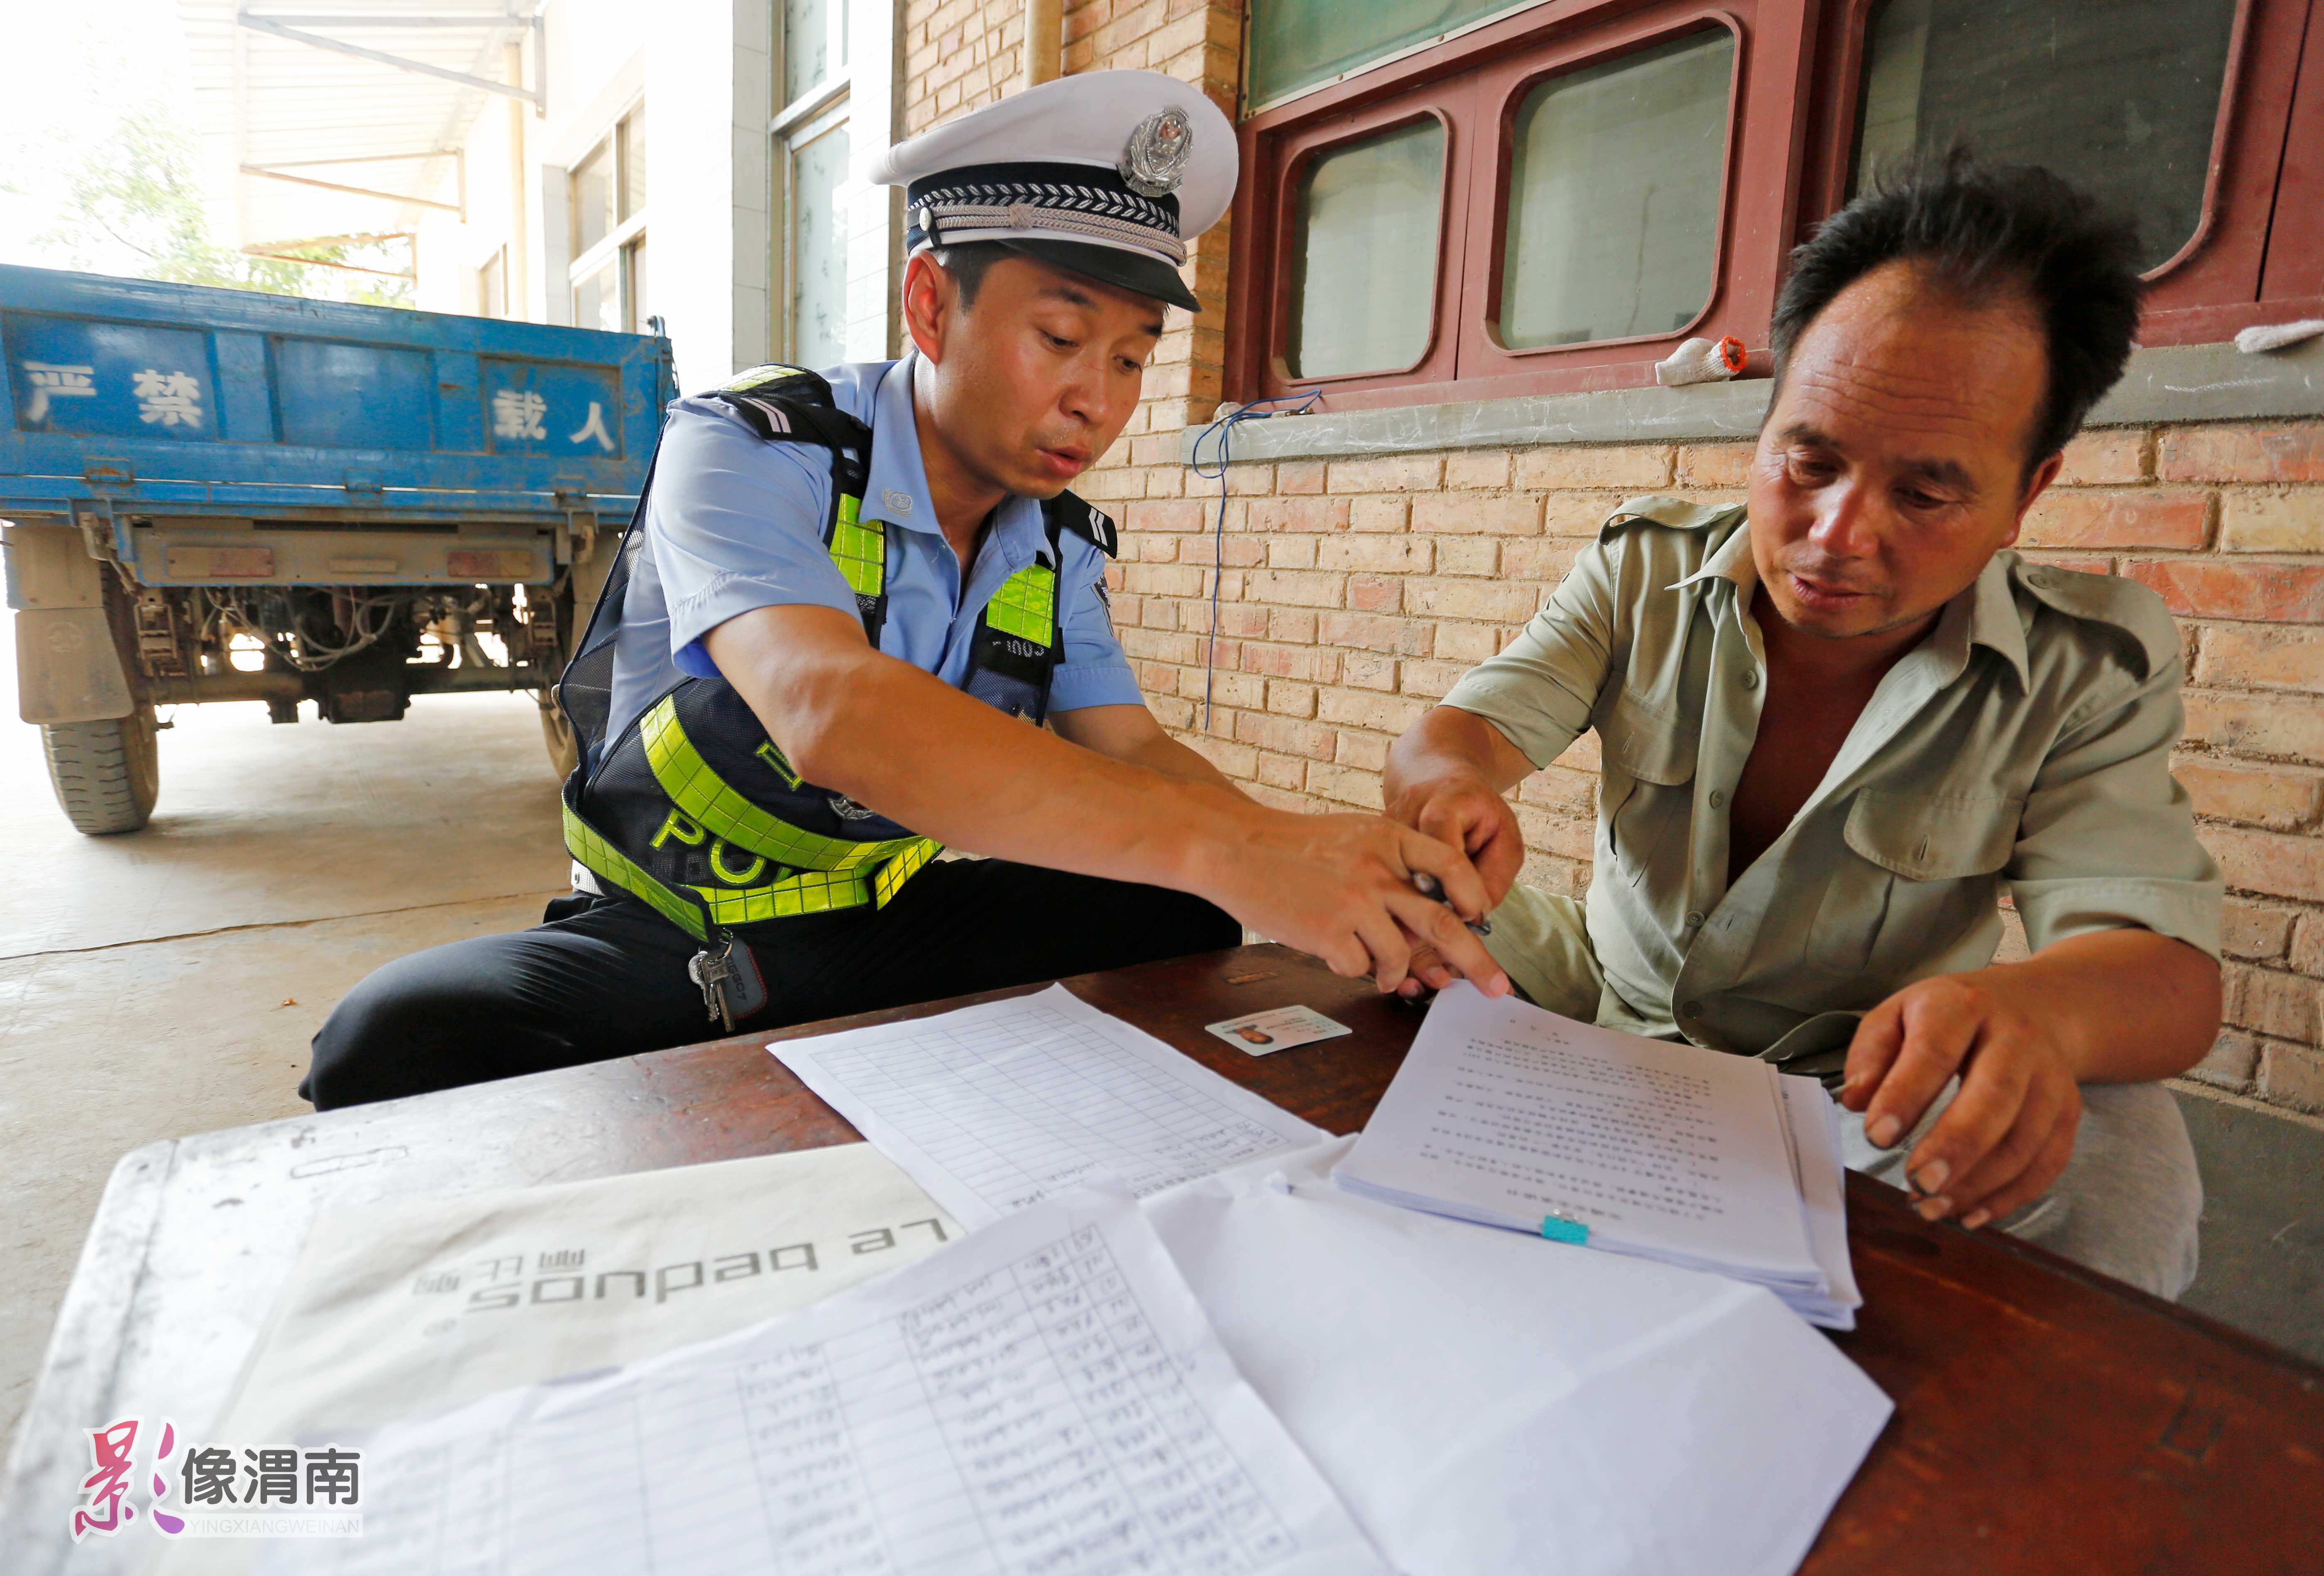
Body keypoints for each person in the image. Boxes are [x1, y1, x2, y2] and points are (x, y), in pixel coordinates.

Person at [305, 71, 1505, 1110]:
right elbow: (830, 709)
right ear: (933, 307)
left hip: (888, 920)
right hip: (684, 933)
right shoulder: (748, 448)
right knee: (398, 1037)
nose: (1098, 397)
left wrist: (1312, 863)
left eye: (1134, 357)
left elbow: (1129, 747)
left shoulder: (1057, 542)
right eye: (1060, 337)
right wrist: (1236, 850)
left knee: (1177, 920)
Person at [1382, 154, 2222, 1299]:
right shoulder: (1643, 573)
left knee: (2122, 1142)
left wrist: (2028, 1013)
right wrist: (1450, 793)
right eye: (1807, 460)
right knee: (1388, 893)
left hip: (1853, 1095)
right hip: (1599, 1002)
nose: (1836, 533)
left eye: (1924, 495)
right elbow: (1456, 738)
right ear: (1763, 426)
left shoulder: (2088, 665)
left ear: (2029, 493)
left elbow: (2167, 976)